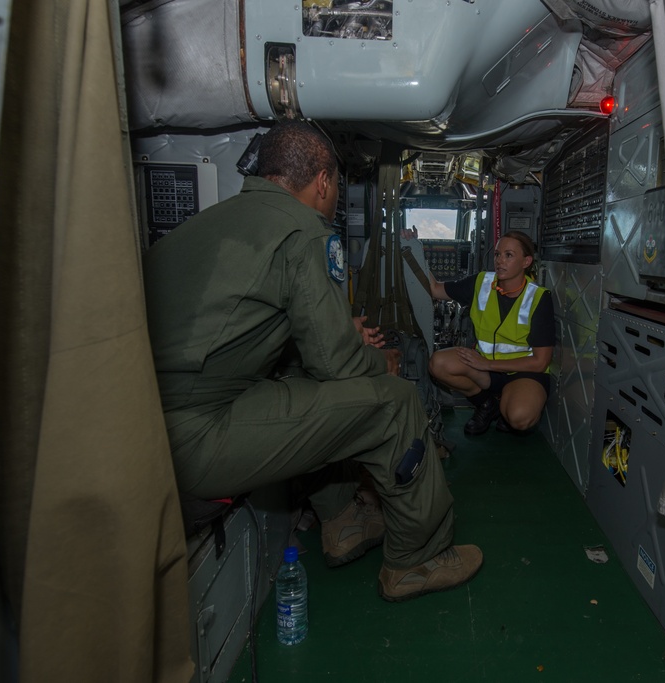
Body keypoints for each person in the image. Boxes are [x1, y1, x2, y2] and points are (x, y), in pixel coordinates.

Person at [142, 120, 482, 601]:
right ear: (322, 181)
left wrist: (343, 334)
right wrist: (378, 358)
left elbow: (240, 328)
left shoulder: (216, 220)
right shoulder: (303, 231)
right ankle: (417, 559)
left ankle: (343, 522)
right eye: (337, 186)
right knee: (396, 401)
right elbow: (336, 364)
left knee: (305, 380)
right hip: (196, 436)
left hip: (151, 425)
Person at [427, 231, 556, 435]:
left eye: (509, 255)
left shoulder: (539, 298)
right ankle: (487, 405)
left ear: (526, 261)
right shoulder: (481, 283)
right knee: (438, 363)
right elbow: (434, 289)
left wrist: (487, 364)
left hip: (522, 373)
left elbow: (541, 362)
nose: (500, 261)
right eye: (497, 254)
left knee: (519, 417)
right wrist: (412, 248)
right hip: (485, 369)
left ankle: (509, 405)